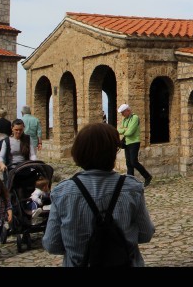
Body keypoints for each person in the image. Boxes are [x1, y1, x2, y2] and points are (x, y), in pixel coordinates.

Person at [43, 122, 155, 266]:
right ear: (112, 153)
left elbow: (52, 244)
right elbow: (145, 233)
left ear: (78, 152)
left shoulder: (63, 192)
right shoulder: (131, 188)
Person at [117, 104, 152, 187]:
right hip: (127, 143)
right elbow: (118, 129)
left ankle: (147, 176)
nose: (122, 114)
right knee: (129, 163)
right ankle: (130, 182)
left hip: (134, 142)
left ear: (128, 111)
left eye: (123, 112)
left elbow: (130, 132)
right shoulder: (125, 119)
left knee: (134, 162)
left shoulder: (134, 118)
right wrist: (125, 129)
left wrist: (124, 130)